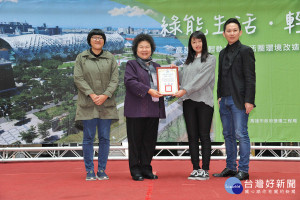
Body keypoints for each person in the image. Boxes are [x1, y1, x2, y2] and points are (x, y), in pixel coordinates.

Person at [213, 18, 256, 180]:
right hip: (224, 100)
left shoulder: (246, 51)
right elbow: (220, 76)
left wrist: (249, 100)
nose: (231, 33)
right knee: (228, 135)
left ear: (240, 32)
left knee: (241, 134)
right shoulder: (222, 53)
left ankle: (243, 170)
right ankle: (231, 167)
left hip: (239, 100)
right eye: (228, 31)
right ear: (224, 34)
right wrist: (219, 96)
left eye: (234, 30)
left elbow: (250, 78)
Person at [74, 29, 119, 181]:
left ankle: (101, 170)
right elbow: (78, 78)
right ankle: (89, 171)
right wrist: (92, 95)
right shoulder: (82, 57)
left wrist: (105, 95)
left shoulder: (110, 58)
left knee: (104, 138)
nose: (98, 40)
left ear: (104, 41)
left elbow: (115, 79)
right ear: (89, 41)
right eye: (94, 38)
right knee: (88, 138)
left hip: (106, 104)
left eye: (100, 38)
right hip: (88, 103)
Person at [173, 31, 216, 180]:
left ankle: (205, 169)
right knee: (192, 136)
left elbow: (201, 79)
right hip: (188, 102)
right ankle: (195, 168)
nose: (197, 44)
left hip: (204, 102)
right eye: (193, 42)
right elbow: (181, 79)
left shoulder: (211, 59)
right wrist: (172, 72)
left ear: (204, 42)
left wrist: (184, 90)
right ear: (190, 45)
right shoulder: (187, 62)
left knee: (204, 136)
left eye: (199, 41)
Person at [124, 33, 166, 181]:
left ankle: (146, 168)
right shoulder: (131, 64)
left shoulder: (157, 66)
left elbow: (164, 84)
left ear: (152, 49)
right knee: (135, 142)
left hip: (153, 109)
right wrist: (148, 90)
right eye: (141, 47)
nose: (144, 50)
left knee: (149, 141)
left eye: (147, 47)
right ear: (136, 49)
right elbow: (130, 82)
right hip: (136, 110)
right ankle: (135, 169)